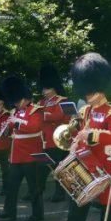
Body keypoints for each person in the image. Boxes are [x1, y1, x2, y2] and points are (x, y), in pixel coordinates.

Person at [44, 53, 111, 221]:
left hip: (106, 170)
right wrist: (75, 139)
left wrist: (92, 135)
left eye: (91, 90)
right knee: (75, 213)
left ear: (101, 88)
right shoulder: (86, 111)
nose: (88, 95)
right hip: (86, 167)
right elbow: (80, 134)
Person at [0, 75, 46, 221]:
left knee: (34, 187)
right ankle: (9, 211)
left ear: (25, 98)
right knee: (12, 186)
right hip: (17, 155)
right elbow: (13, 128)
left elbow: (34, 127)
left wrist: (17, 123)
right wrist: (6, 127)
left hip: (31, 154)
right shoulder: (17, 111)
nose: (16, 103)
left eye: (17, 100)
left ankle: (38, 214)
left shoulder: (36, 110)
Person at [38, 64, 70, 203]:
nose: (44, 91)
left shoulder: (62, 101)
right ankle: (37, 191)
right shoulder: (41, 102)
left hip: (56, 141)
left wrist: (42, 115)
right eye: (44, 88)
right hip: (43, 140)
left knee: (57, 168)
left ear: (54, 88)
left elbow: (58, 116)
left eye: (47, 88)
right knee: (43, 167)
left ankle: (60, 192)